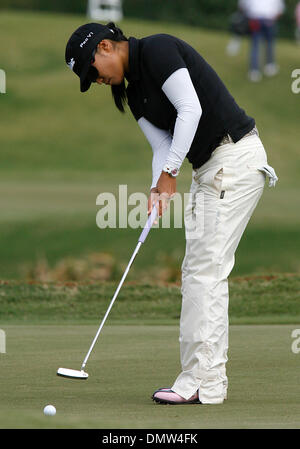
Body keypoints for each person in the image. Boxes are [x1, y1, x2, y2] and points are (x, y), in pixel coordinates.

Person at [65, 22, 278, 404]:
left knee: (206, 271)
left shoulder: (159, 49)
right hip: (210, 169)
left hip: (234, 158)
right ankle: (201, 379)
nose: (96, 80)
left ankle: (205, 383)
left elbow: (190, 110)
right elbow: (162, 146)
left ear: (106, 47)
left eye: (91, 70)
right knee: (198, 271)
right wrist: (156, 189)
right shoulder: (134, 95)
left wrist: (169, 176)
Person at [239, 0, 285, 82]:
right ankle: (269, 66)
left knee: (255, 45)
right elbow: (280, 9)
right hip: (269, 19)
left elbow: (243, 5)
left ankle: (254, 71)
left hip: (255, 19)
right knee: (269, 44)